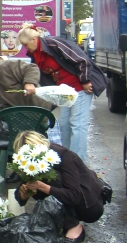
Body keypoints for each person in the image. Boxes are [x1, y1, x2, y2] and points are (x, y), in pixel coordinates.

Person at [17, 22, 106, 163]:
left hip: (79, 86)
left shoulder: (54, 43)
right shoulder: (35, 54)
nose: (25, 48)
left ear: (34, 40)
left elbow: (82, 59)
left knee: (77, 124)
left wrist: (85, 80)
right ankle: (66, 159)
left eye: (26, 44)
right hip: (64, 91)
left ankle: (78, 162)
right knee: (63, 124)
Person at [13, 130, 105, 243]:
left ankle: (74, 226)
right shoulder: (34, 164)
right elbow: (21, 187)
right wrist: (23, 195)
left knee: (48, 179)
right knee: (36, 180)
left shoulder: (65, 156)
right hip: (72, 199)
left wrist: (43, 187)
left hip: (89, 206)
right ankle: (62, 221)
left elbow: (74, 196)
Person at [0, 59, 54, 135]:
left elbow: (31, 67)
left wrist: (29, 82)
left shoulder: (3, 68)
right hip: (10, 121)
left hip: (34, 111)